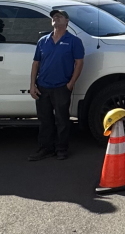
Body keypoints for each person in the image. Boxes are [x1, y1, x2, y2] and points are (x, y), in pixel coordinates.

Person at [28, 9, 84, 161]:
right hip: (43, 86)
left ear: (67, 21)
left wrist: (71, 83)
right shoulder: (43, 41)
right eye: (54, 17)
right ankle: (46, 148)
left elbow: (79, 63)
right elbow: (36, 63)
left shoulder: (74, 41)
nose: (56, 19)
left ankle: (61, 149)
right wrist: (33, 85)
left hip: (61, 86)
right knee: (45, 120)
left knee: (62, 119)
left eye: (59, 17)